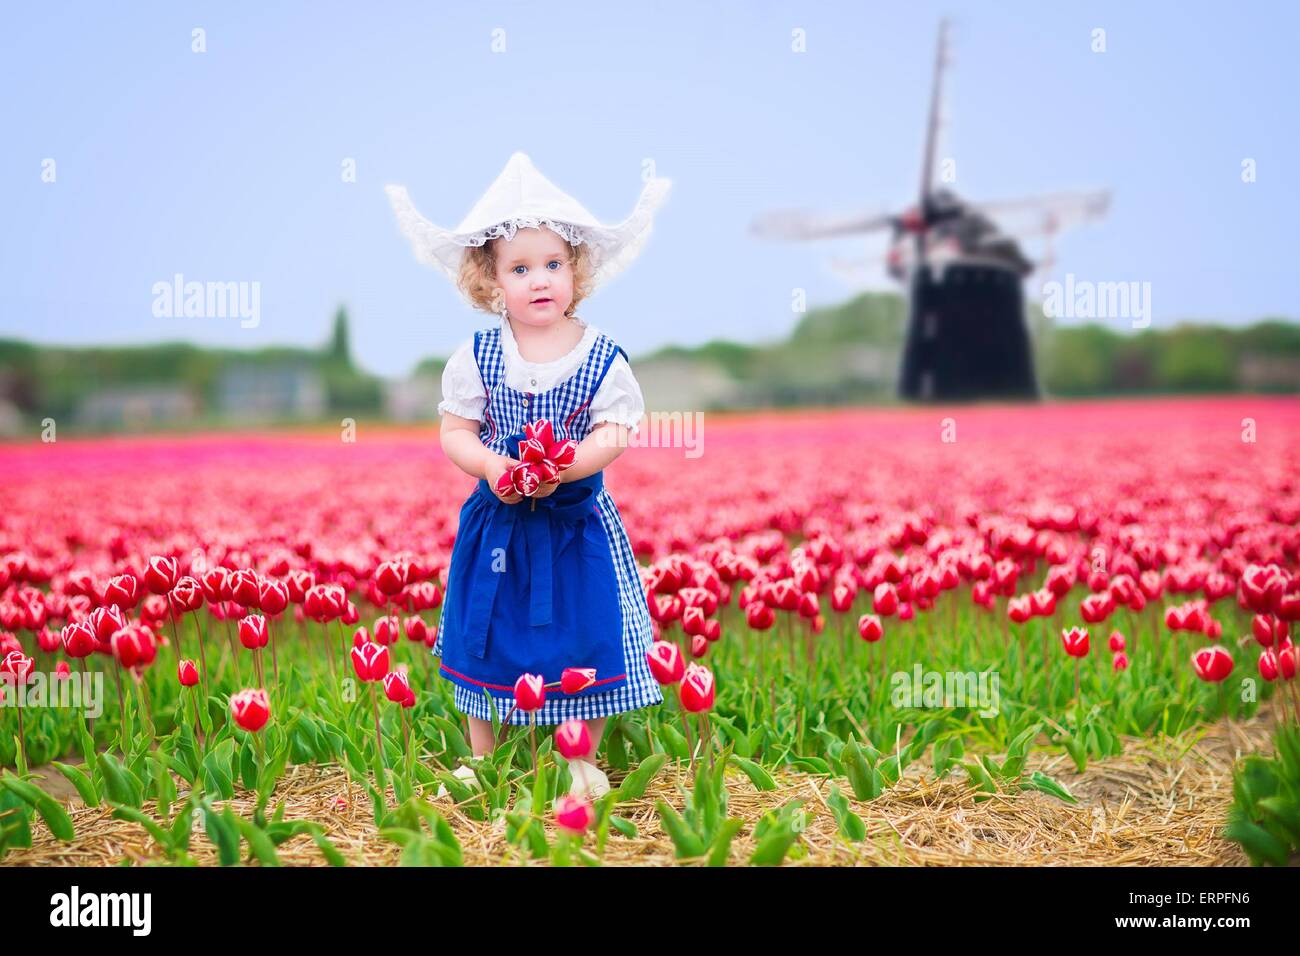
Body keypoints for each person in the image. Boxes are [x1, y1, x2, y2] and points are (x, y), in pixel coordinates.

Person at [386, 152, 671, 798]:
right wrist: (491, 465)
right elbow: (455, 431)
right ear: (490, 280)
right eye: (520, 268)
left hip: (576, 525)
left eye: (553, 264)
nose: (539, 279)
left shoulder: (600, 354)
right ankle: (484, 753)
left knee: (585, 627)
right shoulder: (479, 356)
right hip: (500, 526)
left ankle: (582, 758)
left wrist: (569, 462)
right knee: (484, 627)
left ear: (576, 269)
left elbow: (617, 430)